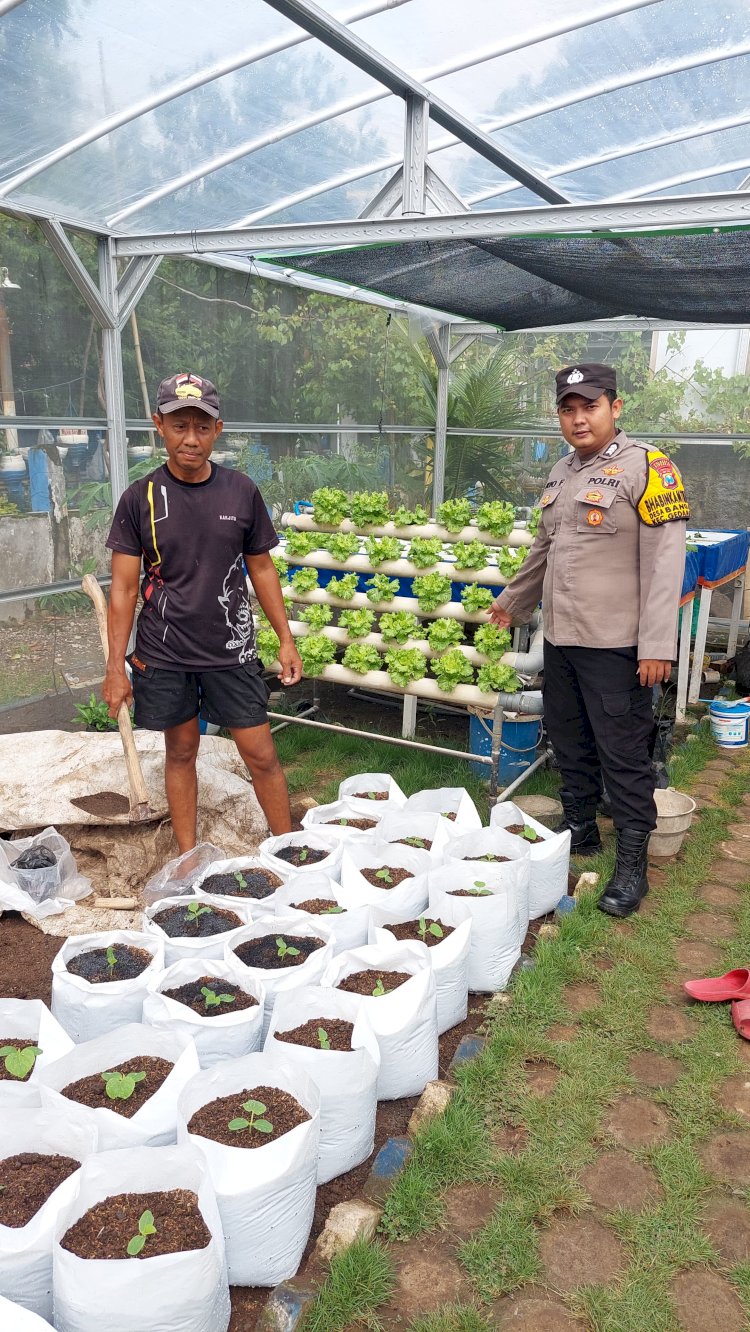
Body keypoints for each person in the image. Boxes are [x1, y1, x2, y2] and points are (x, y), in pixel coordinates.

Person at [489, 363, 689, 918]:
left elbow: (664, 564)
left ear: (615, 407)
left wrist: (656, 646)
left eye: (590, 407)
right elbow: (544, 549)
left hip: (617, 644)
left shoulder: (649, 468)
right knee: (569, 740)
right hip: (564, 637)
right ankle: (580, 828)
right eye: (568, 409)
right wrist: (512, 602)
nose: (579, 419)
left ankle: (632, 864)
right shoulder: (561, 471)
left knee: (623, 754)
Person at [102, 371, 302, 854]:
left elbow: (262, 569)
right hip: (165, 653)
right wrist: (115, 667)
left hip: (230, 650)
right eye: (178, 426)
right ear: (159, 426)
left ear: (218, 430)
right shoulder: (140, 499)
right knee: (182, 751)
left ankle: (292, 851)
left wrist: (286, 637)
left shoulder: (241, 492)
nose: (190, 439)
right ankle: (188, 857)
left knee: (261, 753)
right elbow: (124, 589)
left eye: (201, 427)